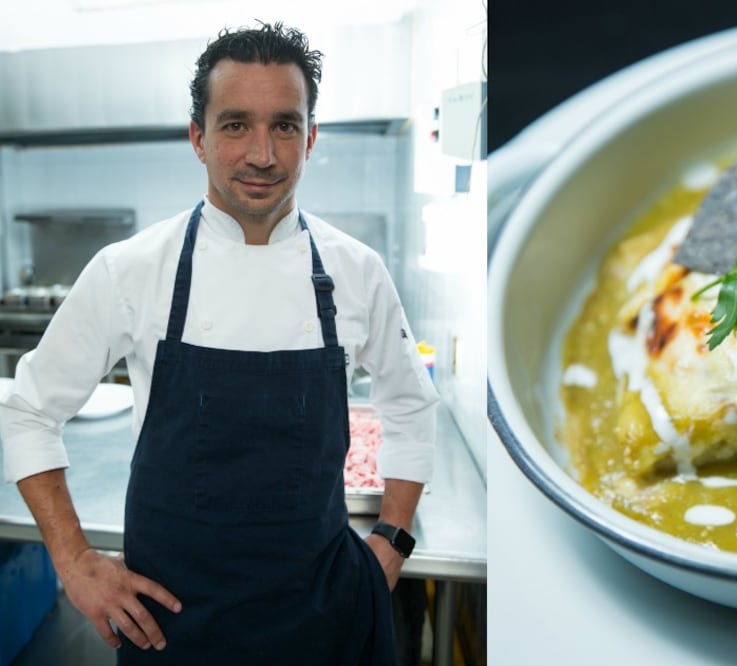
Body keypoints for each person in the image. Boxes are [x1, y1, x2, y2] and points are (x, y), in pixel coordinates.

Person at [0, 21, 438, 665]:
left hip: (326, 616)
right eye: (235, 125)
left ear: (311, 139)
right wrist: (73, 560)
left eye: (285, 125)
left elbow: (410, 405)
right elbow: (27, 409)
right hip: (175, 625)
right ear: (198, 139)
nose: (262, 153)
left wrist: (393, 539)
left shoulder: (357, 272)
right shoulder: (132, 269)